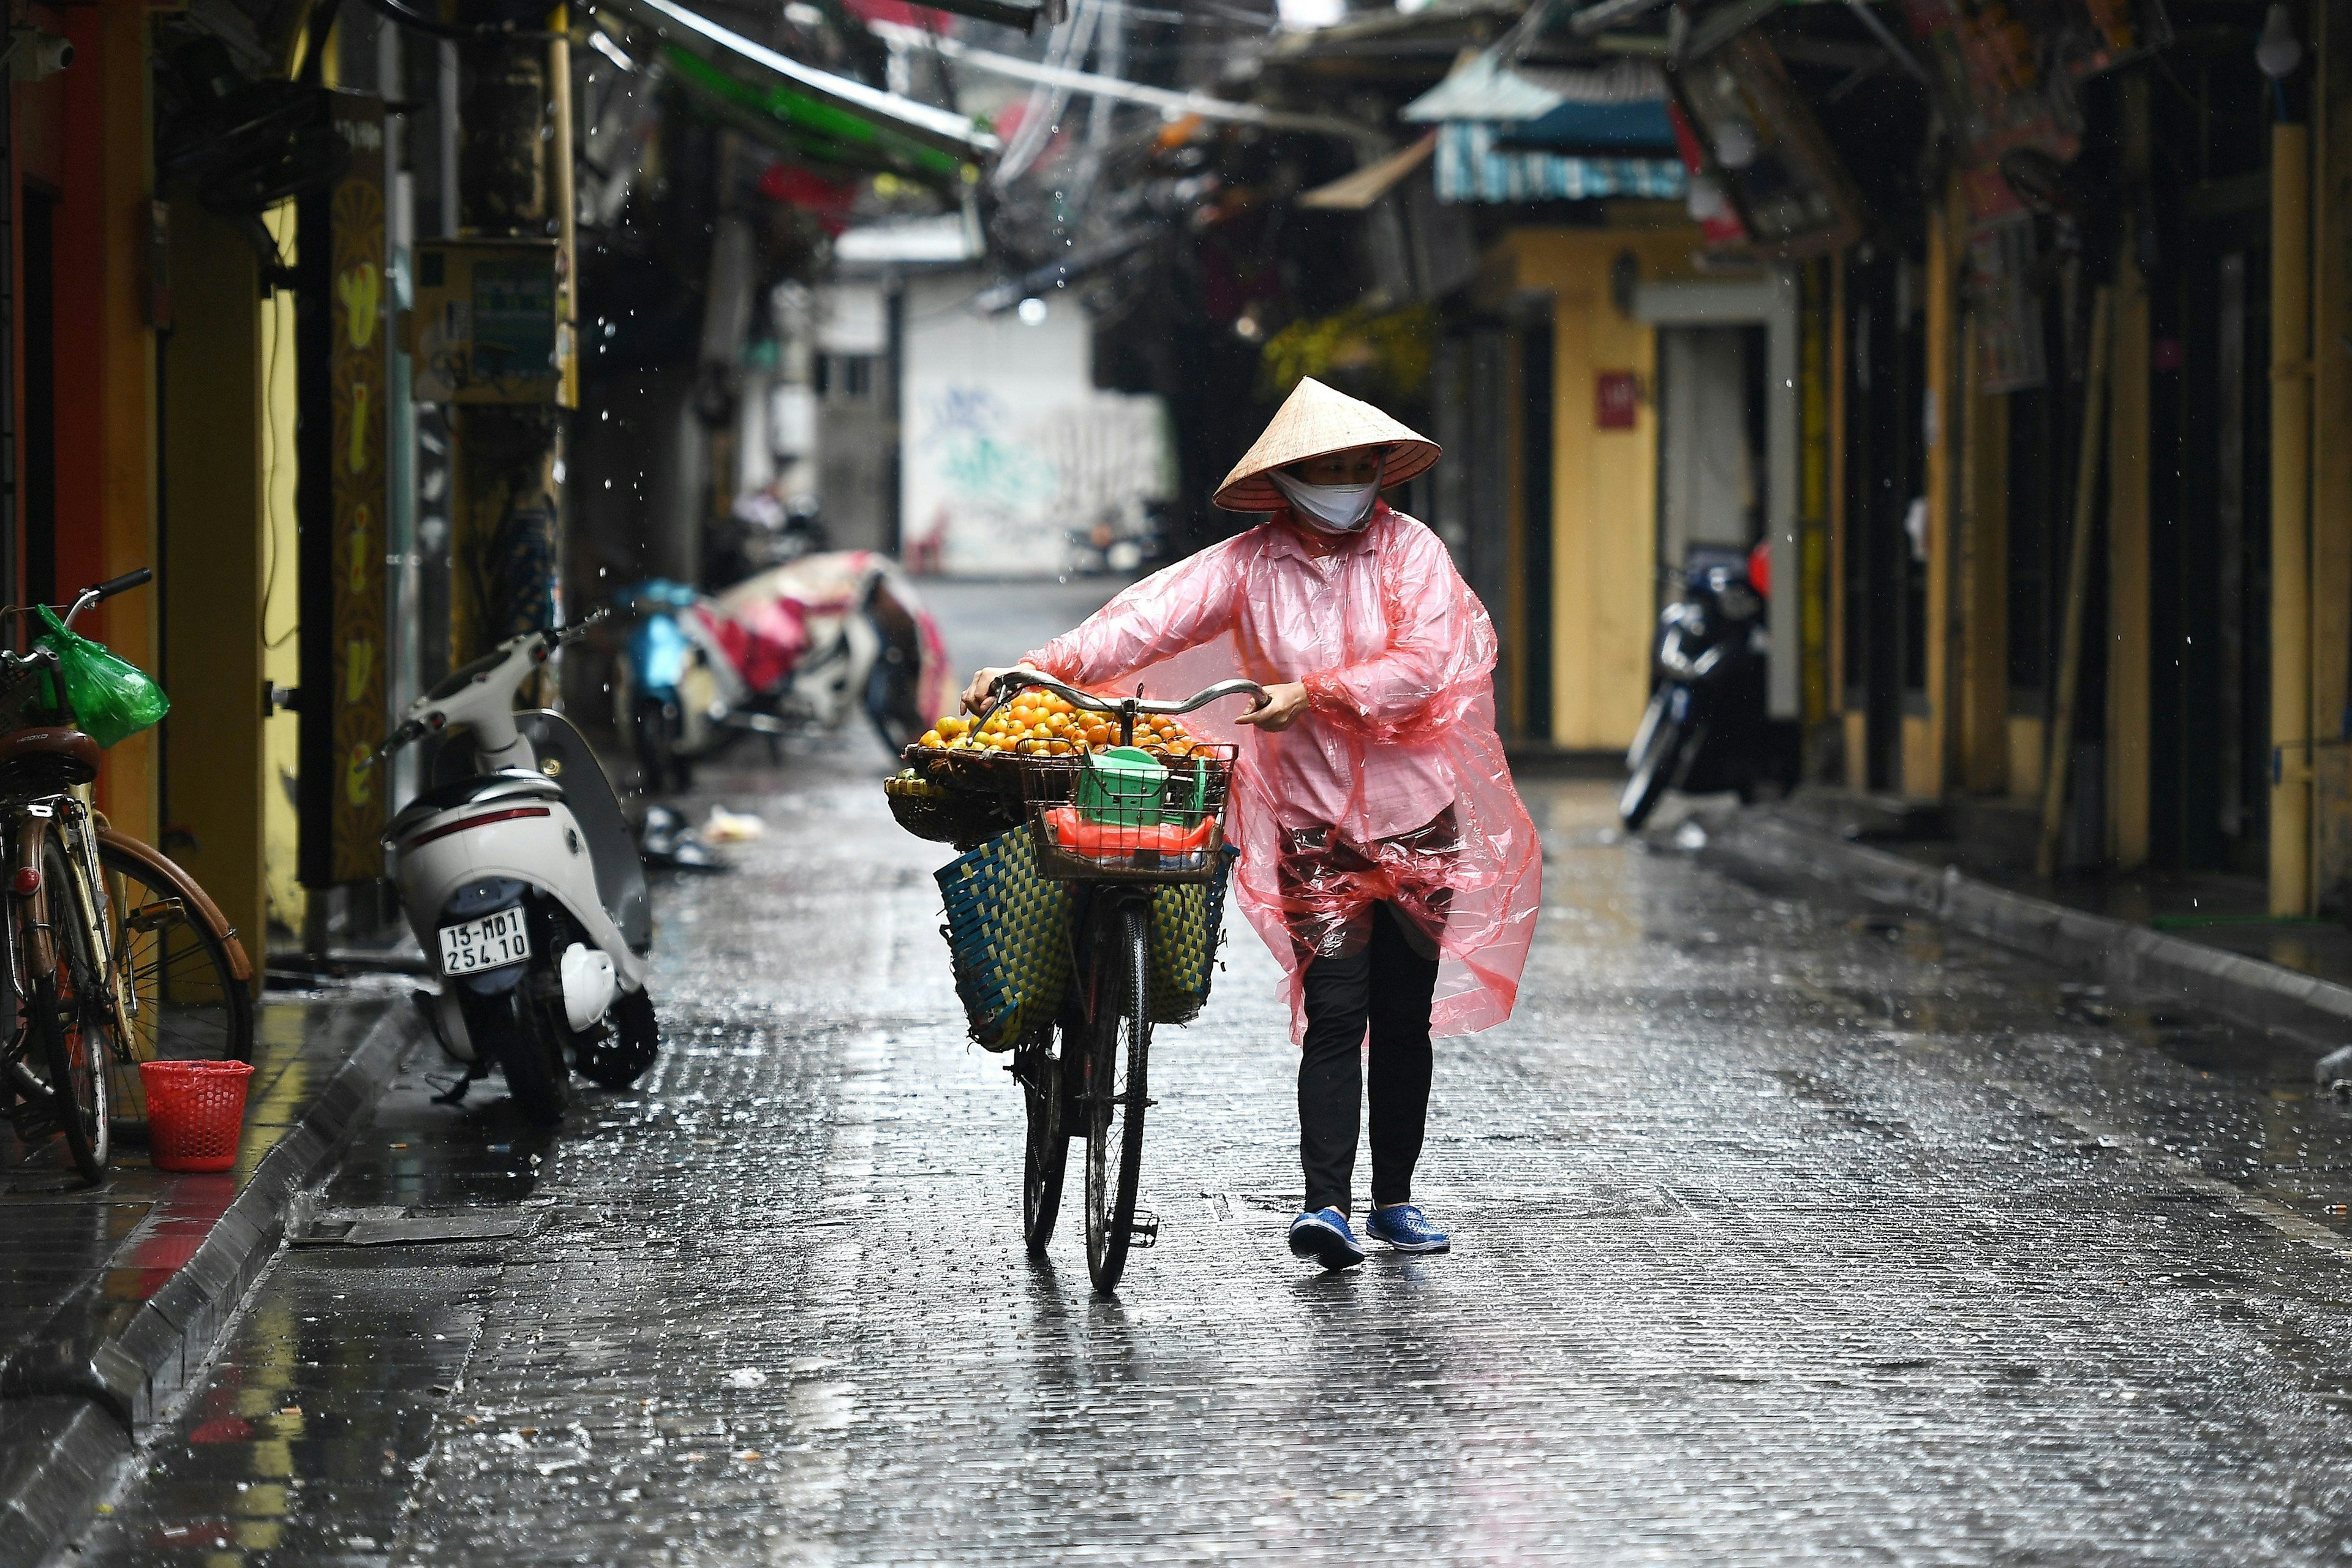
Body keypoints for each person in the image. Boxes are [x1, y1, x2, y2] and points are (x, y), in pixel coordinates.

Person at [962, 377, 1541, 1271]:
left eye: (1359, 465)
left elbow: (1428, 662)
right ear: (1288, 478)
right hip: (1316, 830)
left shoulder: (1411, 552)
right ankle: (1328, 1207)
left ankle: (1395, 1198)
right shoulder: (1245, 566)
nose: (1345, 479)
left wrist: (1315, 692)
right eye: (1326, 466)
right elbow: (1141, 621)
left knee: (1404, 1012)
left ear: (1381, 472)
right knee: (1337, 1010)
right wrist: (1038, 666)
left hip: (1420, 819)